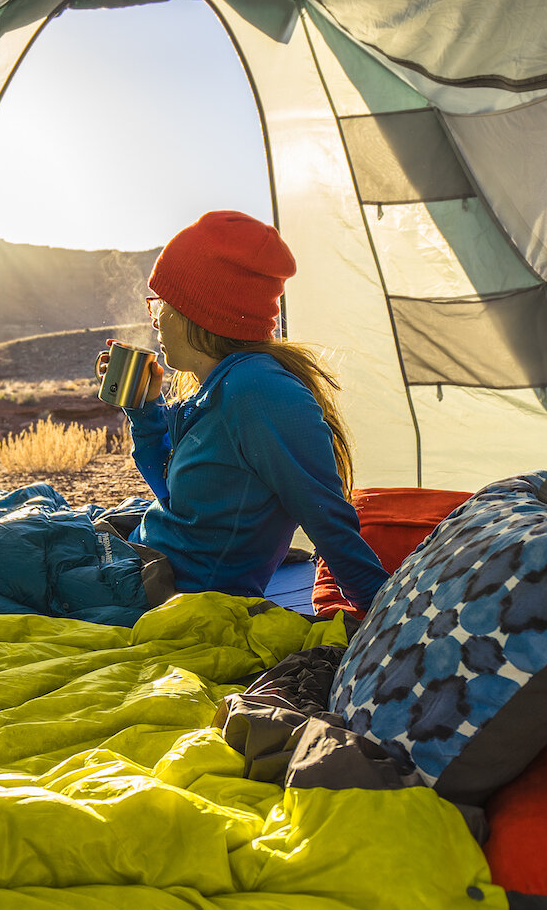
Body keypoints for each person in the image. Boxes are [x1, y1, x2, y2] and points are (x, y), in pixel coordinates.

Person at [95, 210, 388, 612]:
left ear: (199, 312)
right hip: (145, 565)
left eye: (161, 302)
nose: (156, 320)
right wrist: (145, 411)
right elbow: (172, 495)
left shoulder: (259, 392)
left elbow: (325, 516)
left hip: (167, 594)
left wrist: (385, 613)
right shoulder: (219, 386)